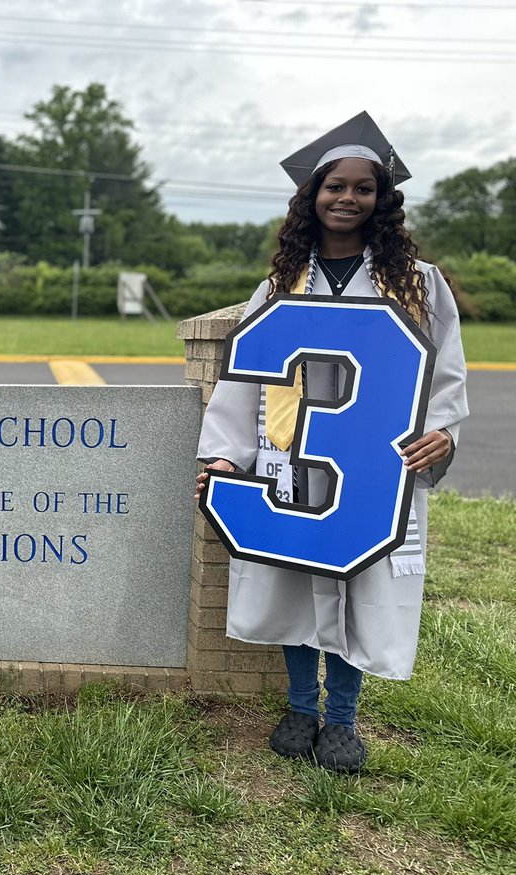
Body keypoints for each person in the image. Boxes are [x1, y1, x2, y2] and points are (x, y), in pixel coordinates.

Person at [194, 112, 468, 774]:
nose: (348, 198)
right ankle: (300, 707)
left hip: (372, 468)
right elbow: (244, 383)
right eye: (334, 187)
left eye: (363, 188)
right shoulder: (280, 286)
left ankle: (342, 719)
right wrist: (227, 456)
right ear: (310, 197)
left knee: (358, 577)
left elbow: (446, 374)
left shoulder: (418, 284)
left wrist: (443, 436)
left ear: (382, 200)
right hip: (292, 456)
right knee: (292, 575)